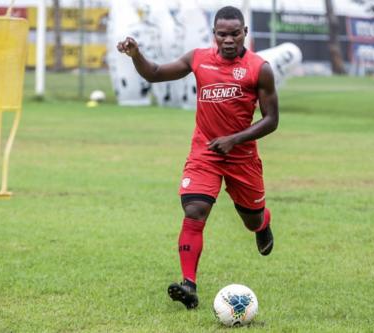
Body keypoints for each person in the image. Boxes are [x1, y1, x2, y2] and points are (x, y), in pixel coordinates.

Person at [117, 6, 278, 310]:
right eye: (222, 34)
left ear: (245, 33)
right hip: (205, 152)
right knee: (195, 210)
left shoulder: (260, 68)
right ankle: (188, 285)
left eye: (234, 33)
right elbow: (154, 73)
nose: (228, 40)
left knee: (251, 218)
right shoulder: (198, 58)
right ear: (214, 34)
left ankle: (262, 223)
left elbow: (271, 120)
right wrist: (136, 54)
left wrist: (235, 139)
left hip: (242, 156)